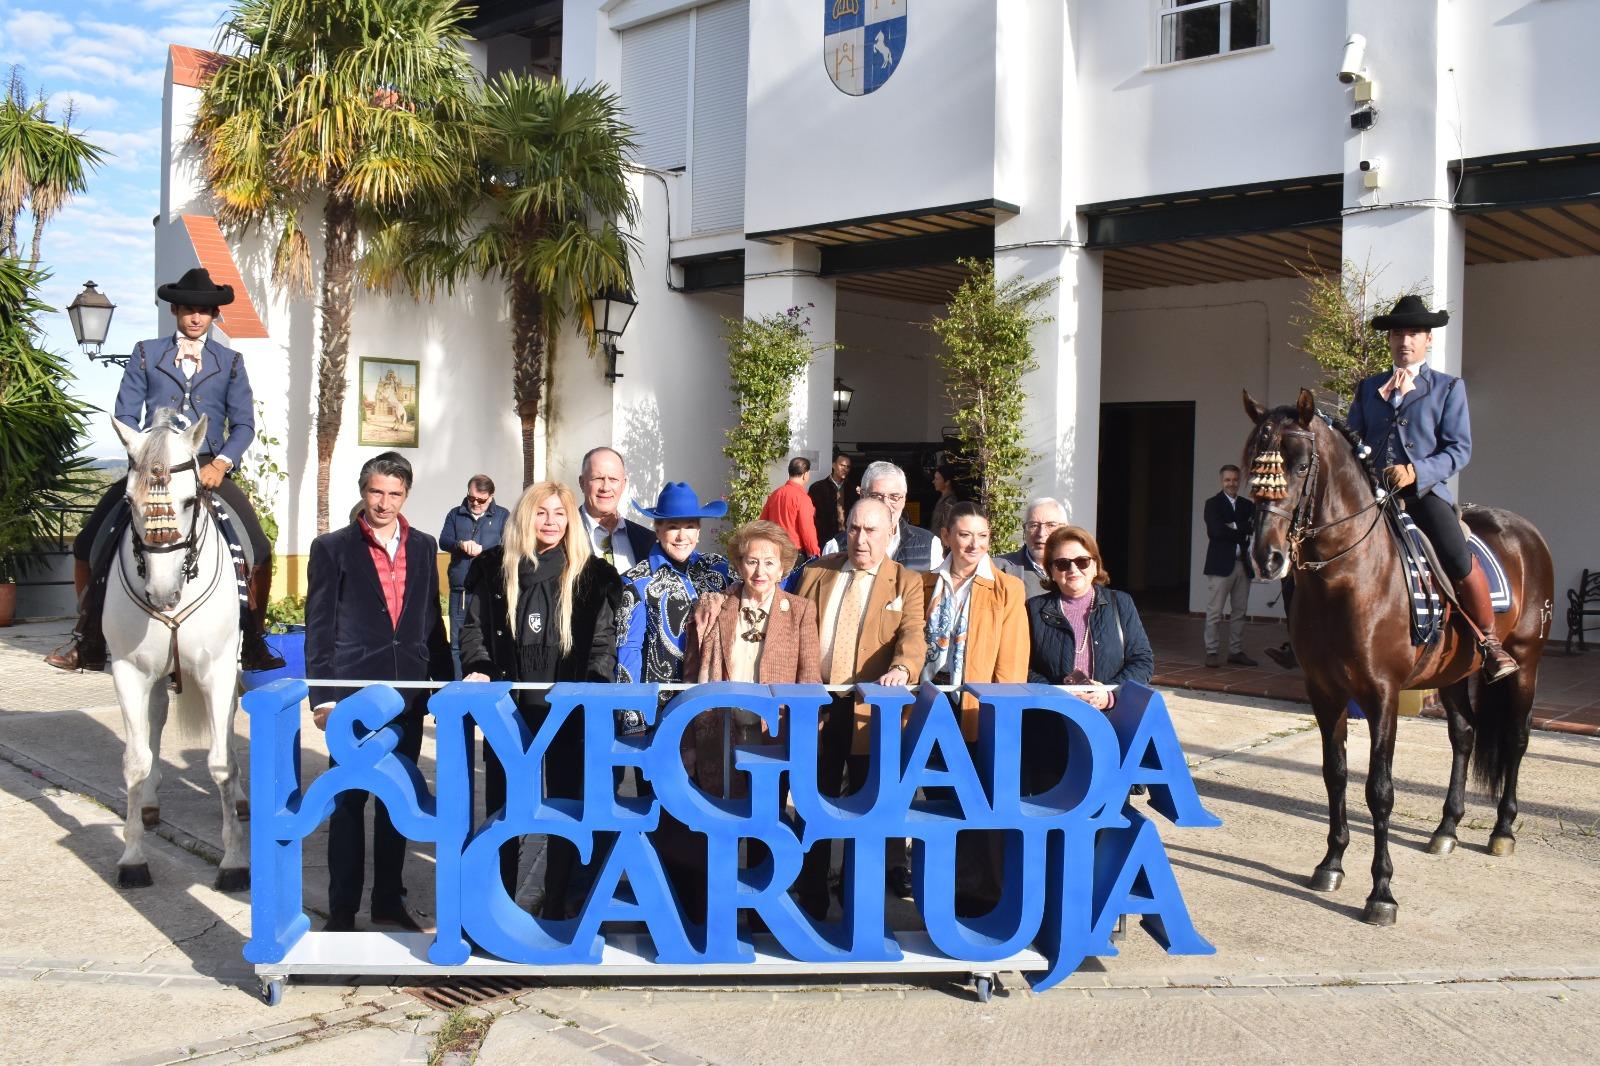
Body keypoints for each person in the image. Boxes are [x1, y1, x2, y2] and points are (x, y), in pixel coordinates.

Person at [46, 268, 284, 673]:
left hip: (208, 469)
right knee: (88, 543)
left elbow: (243, 424)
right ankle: (86, 637)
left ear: (213, 316)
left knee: (259, 548)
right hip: (152, 468)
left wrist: (223, 463)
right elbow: (125, 414)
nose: (196, 318)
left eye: (205, 311)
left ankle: (254, 639)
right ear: (175, 310)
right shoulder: (145, 352)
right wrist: (143, 460)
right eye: (189, 310)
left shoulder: (230, 362)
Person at [458, 482, 623, 917]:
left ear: (571, 521)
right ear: (525, 517)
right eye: (541, 513)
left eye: (559, 514)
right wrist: (480, 667)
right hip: (508, 711)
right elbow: (472, 630)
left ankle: (555, 905)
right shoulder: (494, 569)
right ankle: (498, 906)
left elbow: (604, 644)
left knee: (566, 808)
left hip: (568, 714)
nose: (550, 522)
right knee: (505, 808)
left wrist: (592, 684)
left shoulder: (591, 575)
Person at [305, 452, 452, 932]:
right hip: (353, 700)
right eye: (376, 492)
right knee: (348, 803)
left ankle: (389, 901)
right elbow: (319, 626)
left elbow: (432, 621)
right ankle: (342, 913)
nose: (384, 502)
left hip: (408, 694)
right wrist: (323, 696)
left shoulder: (426, 546)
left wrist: (442, 688)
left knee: (398, 802)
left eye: (394, 493)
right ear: (363, 492)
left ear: (405, 495)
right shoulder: (332, 548)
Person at [1347, 295, 1516, 681]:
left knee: (1456, 555)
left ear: (1428, 340)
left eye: (1412, 333)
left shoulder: (1447, 388)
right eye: (1397, 334)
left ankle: (1490, 642)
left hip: (1423, 497)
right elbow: (1352, 439)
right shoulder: (1368, 388)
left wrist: (1416, 471)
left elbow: (1459, 450)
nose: (1404, 341)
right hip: (1374, 498)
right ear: (1388, 340)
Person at [678, 519, 821, 922]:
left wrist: (804, 742)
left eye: (769, 563)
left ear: (784, 567)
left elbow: (809, 679)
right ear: (739, 565)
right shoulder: (715, 606)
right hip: (718, 730)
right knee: (718, 821)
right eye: (752, 561)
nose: (760, 571)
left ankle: (762, 916)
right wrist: (688, 739)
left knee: (766, 820)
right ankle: (717, 913)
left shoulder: (801, 613)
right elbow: (691, 675)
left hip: (769, 736)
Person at [793, 498, 925, 919]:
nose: (861, 539)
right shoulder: (817, 571)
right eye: (854, 529)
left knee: (862, 808)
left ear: (890, 534)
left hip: (869, 709)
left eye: (871, 531)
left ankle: (855, 902)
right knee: (813, 802)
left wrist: (903, 668)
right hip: (818, 705)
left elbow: (913, 636)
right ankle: (810, 896)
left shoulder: (906, 581)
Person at [920, 501, 1029, 914]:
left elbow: (1012, 664)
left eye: (982, 536)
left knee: (976, 805)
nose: (973, 544)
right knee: (936, 804)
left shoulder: (1006, 588)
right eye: (965, 535)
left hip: (974, 710)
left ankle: (976, 902)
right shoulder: (922, 582)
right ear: (947, 535)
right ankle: (937, 895)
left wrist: (999, 716)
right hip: (928, 704)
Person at [1023, 525, 1154, 792]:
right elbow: (1022, 667)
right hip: (1052, 732)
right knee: (1052, 814)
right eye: (1062, 563)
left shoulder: (1121, 604)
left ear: (1095, 566)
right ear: (1051, 571)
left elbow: (1142, 660)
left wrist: (1109, 694)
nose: (1073, 570)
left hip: (1108, 726)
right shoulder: (1034, 610)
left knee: (1106, 814)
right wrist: (1058, 695)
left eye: (1082, 561)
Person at [615, 482, 734, 687]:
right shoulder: (637, 582)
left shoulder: (720, 570)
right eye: (672, 527)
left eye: (689, 526)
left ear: (698, 531)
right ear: (658, 532)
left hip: (714, 702)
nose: (681, 536)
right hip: (662, 708)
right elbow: (628, 652)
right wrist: (632, 712)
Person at [439, 475, 509, 677]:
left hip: (489, 590)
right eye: (472, 498)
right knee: (458, 643)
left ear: (491, 497)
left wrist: (484, 550)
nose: (475, 503)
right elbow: (444, 540)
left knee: (489, 640)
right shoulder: (455, 514)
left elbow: (509, 546)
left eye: (481, 500)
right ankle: (459, 689)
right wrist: (460, 544)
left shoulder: (503, 516)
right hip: (461, 591)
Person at [819, 460, 942, 571]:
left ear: (904, 499)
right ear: (862, 496)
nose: (886, 505)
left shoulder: (930, 545)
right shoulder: (836, 547)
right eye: (877, 496)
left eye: (894, 497)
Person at [1202, 464, 1257, 668]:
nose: (1231, 483)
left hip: (1243, 564)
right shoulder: (1212, 504)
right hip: (1220, 566)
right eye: (1227, 480)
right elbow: (1215, 532)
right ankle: (1212, 651)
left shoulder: (1248, 505)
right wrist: (1240, 528)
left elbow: (1252, 526)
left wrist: (1233, 526)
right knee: (1215, 612)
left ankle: (1235, 651)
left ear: (1239, 480)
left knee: (1239, 612)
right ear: (1221, 481)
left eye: (1235, 479)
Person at [577, 446, 654, 573]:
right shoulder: (563, 536)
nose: (606, 487)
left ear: (623, 484)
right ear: (582, 483)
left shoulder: (646, 540)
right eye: (598, 478)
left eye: (613, 479)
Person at [995, 497, 1068, 596]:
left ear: (1065, 529)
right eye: (1034, 525)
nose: (1041, 533)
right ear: (1024, 529)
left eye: (1050, 525)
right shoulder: (997, 569)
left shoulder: (1081, 569)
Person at [759, 457, 821, 557]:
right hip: (794, 552)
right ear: (805, 475)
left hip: (774, 550)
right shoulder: (802, 498)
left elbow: (762, 522)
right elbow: (807, 529)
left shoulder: (775, 494)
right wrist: (814, 552)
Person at [808, 452, 854, 549]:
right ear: (833, 465)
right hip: (824, 538)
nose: (845, 469)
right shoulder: (817, 488)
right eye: (842, 465)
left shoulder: (852, 490)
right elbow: (810, 516)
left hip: (846, 538)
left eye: (848, 467)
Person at [927, 463, 960, 536]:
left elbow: (947, 526)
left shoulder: (950, 501)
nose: (933, 481)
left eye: (937, 479)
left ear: (947, 482)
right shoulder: (943, 498)